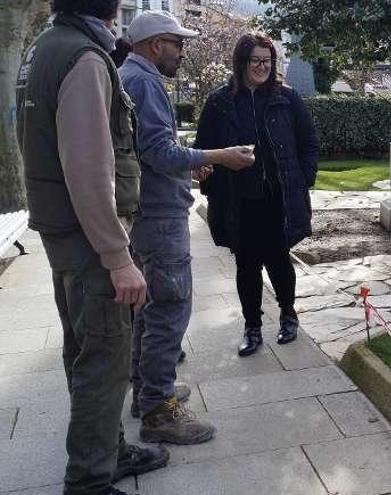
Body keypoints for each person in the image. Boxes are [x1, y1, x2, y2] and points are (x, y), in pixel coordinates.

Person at [15, 1, 171, 493]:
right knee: (104, 358)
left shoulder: (46, 47)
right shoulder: (82, 56)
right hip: (90, 242)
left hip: (66, 235)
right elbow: (87, 170)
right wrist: (118, 258)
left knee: (86, 352)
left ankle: (108, 450)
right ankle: (89, 480)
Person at [119, 11, 255, 444]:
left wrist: (189, 167)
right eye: (178, 43)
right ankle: (159, 411)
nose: (183, 51)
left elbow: (149, 153)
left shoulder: (132, 76)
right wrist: (217, 156)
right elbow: (160, 151)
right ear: (156, 44)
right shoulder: (143, 81)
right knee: (169, 309)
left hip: (148, 210)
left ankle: (147, 393)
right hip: (159, 218)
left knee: (150, 307)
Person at [195, 33, 319, 357]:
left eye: (268, 60)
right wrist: (209, 181)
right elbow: (202, 151)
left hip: (278, 198)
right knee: (246, 265)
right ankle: (252, 327)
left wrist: (304, 178)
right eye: (256, 60)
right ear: (241, 63)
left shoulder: (286, 98)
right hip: (239, 200)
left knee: (279, 260)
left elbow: (308, 142)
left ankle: (288, 316)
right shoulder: (220, 102)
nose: (263, 66)